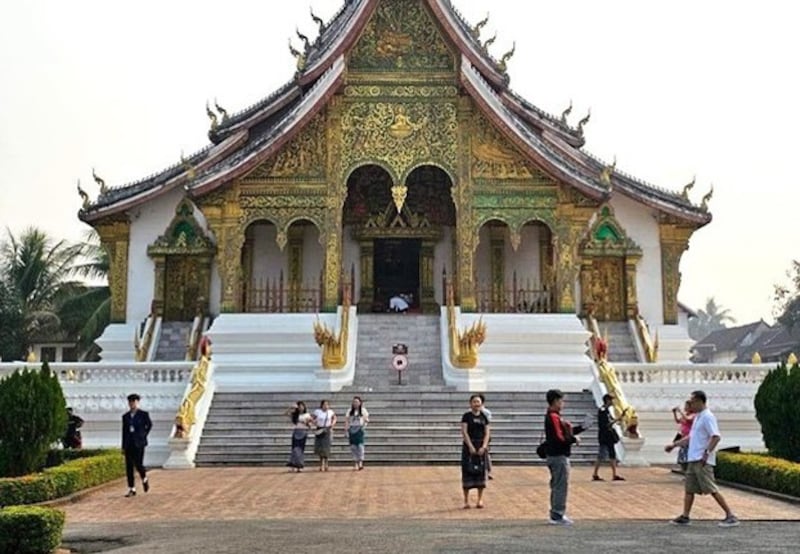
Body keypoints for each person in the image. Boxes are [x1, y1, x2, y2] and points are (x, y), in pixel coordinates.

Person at [664, 390, 740, 527]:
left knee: (711, 488)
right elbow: (691, 437)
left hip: (702, 459)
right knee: (689, 489)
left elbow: (716, 436)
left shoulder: (708, 417)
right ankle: (685, 515)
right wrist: (674, 445)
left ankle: (730, 515)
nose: (690, 404)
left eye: (692, 401)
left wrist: (706, 452)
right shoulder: (698, 417)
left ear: (700, 401)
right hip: (693, 458)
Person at [544, 389, 586, 525]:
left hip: (555, 454)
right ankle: (557, 513)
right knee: (560, 485)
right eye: (561, 401)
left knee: (557, 484)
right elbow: (559, 437)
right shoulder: (553, 417)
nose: (563, 403)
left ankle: (556, 512)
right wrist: (574, 439)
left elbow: (564, 432)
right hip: (558, 455)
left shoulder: (554, 416)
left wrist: (581, 428)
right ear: (556, 401)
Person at [460, 394, 491, 509]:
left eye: (478, 402)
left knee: (481, 473)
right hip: (469, 446)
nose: (476, 404)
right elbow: (464, 432)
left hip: (481, 445)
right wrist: (470, 446)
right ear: (470, 403)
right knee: (467, 472)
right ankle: (466, 500)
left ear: (482, 404)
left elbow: (487, 432)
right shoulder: (466, 416)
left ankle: (480, 499)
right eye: (474, 402)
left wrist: (484, 446)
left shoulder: (484, 417)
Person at [121, 393, 152, 497]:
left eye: (134, 402)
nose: (132, 404)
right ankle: (132, 488)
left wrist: (143, 435)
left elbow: (149, 425)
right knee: (129, 467)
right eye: (130, 402)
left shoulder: (143, 414)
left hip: (139, 443)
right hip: (129, 443)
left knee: (139, 464)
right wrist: (123, 446)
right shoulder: (125, 416)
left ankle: (144, 478)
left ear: (137, 402)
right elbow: (124, 432)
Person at [591, 394, 626, 482]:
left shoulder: (606, 411)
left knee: (612, 454)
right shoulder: (602, 410)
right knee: (601, 455)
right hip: (604, 435)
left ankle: (614, 474)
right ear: (607, 400)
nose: (612, 402)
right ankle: (595, 473)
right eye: (611, 400)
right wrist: (617, 419)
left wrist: (618, 419)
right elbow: (606, 424)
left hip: (608, 435)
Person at [344, 396, 370, 471]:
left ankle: (360, 461)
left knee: (360, 446)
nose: (355, 403)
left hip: (359, 429)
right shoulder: (349, 411)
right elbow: (347, 420)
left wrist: (364, 425)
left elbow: (366, 419)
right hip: (352, 428)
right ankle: (355, 462)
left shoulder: (363, 410)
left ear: (360, 403)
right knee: (353, 447)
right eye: (354, 402)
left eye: (357, 402)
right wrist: (346, 430)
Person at [286, 401, 312, 472]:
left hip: (303, 432)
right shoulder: (295, 415)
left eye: (302, 406)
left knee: (300, 450)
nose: (301, 408)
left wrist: (307, 423)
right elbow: (286, 413)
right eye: (299, 406)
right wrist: (291, 408)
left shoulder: (307, 415)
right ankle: (292, 466)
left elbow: (310, 425)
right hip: (296, 432)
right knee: (294, 449)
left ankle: (299, 466)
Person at [313, 399, 337, 471]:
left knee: (326, 447)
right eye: (324, 405)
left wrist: (332, 425)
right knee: (320, 447)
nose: (326, 406)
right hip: (319, 429)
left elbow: (335, 418)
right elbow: (312, 419)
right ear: (321, 405)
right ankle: (321, 464)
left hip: (327, 429)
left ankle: (326, 463)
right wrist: (314, 423)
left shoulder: (330, 412)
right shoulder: (317, 412)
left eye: (327, 404)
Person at [671, 401, 694, 472]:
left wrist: (680, 411)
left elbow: (688, 419)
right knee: (682, 453)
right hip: (682, 437)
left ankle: (687, 470)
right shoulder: (685, 414)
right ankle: (683, 469)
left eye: (687, 406)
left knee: (687, 454)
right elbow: (678, 421)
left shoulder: (693, 415)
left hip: (689, 438)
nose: (685, 407)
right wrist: (674, 413)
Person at [478, 394, 493, 479]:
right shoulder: (469, 412)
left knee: (485, 453)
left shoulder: (486, 412)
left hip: (484, 435)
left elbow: (488, 424)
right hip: (474, 435)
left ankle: (487, 471)